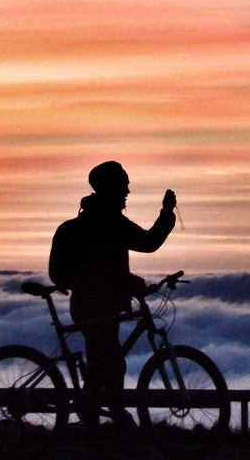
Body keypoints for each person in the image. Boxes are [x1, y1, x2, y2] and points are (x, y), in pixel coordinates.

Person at [48, 161, 177, 433]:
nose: (128, 190)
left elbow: (93, 270)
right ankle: (107, 424)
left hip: (88, 305)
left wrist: (124, 283)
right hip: (98, 306)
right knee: (109, 364)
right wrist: (166, 213)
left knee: (106, 364)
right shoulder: (110, 223)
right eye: (124, 184)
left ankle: (106, 422)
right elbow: (148, 243)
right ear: (112, 188)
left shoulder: (93, 222)